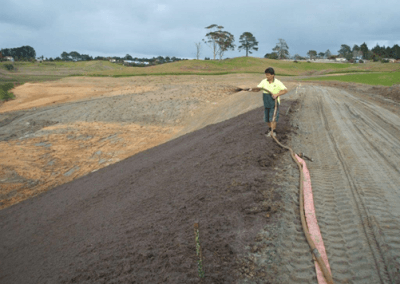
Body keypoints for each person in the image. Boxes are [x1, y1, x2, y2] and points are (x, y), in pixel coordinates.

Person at [255, 67, 288, 137]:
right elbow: (258, 88)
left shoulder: (278, 82)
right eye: (266, 75)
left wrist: (277, 94)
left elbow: (285, 90)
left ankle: (274, 131)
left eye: (268, 75)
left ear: (273, 75)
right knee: (267, 118)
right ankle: (270, 129)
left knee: (273, 117)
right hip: (266, 103)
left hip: (274, 103)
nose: (267, 76)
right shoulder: (264, 81)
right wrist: (252, 89)